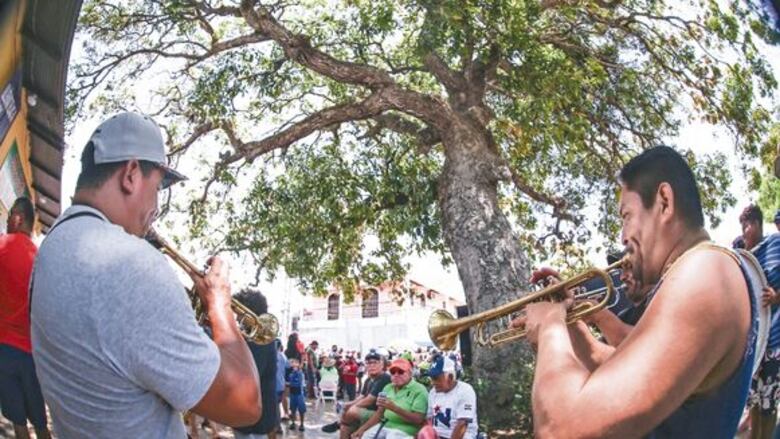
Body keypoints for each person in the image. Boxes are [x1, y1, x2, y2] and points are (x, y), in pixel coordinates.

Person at [30, 112, 261, 438]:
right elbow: (245, 405)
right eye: (160, 185)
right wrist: (220, 305)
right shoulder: (129, 263)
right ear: (131, 174)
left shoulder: (52, 248)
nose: (156, 207)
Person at [514, 146, 760, 437]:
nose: (622, 236)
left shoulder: (705, 270)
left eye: (626, 216)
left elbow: (561, 429)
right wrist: (570, 322)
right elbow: (625, 371)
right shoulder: (703, 270)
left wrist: (549, 326)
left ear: (664, 202)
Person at [0, 197, 51, 439]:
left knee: (18, 424)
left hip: (3, 349)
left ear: (17, 218)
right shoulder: (42, 259)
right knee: (41, 424)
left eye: (10, 215)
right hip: (33, 354)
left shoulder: (2, 246)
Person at [739, 204, 780, 439]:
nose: (744, 231)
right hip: (756, 342)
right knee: (754, 399)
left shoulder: (776, 244)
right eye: (742, 226)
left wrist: (776, 297)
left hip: (775, 338)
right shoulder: (748, 258)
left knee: (770, 401)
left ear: (756, 224)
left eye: (747, 225)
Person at [233, 289, 279, 439]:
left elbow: (249, 374)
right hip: (254, 412)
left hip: (255, 413)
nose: (237, 317)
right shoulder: (255, 335)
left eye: (239, 312)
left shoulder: (260, 337)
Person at [351, 358, 428, 439]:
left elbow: (418, 419)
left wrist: (394, 408)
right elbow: (379, 414)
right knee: (364, 436)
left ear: (410, 373)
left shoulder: (419, 390)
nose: (396, 374)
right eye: (393, 372)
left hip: (406, 431)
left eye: (401, 372)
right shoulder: (388, 387)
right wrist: (362, 430)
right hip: (385, 426)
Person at [425, 355, 478, 439]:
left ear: (450, 377)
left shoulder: (465, 391)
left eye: (436, 378)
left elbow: (462, 424)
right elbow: (429, 419)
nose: (432, 382)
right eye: (431, 378)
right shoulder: (433, 392)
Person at [287, 357, 307, 431]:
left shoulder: (300, 373)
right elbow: (290, 383)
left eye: (296, 363)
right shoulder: (290, 374)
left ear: (299, 364)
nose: (294, 364)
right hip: (292, 393)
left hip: (299, 394)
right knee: (293, 409)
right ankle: (293, 423)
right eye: (292, 363)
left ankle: (302, 424)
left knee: (301, 409)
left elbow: (299, 383)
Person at [275, 339, 290, 428]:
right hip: (281, 383)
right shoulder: (283, 356)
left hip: (274, 384)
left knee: (275, 406)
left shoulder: (272, 356)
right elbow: (288, 366)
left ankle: (278, 426)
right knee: (279, 402)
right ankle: (285, 414)